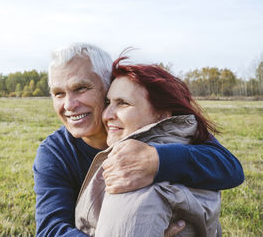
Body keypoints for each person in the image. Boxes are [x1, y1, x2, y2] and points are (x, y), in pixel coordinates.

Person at [33, 43, 244, 236]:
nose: (69, 105)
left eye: (81, 88)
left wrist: (157, 160)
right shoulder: (54, 152)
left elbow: (230, 168)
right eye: (58, 93)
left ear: (108, 85)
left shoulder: (152, 131)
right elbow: (51, 229)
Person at [75, 55, 225, 236]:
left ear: (162, 115)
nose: (107, 115)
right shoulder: (188, 144)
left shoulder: (132, 179)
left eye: (123, 103)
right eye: (108, 102)